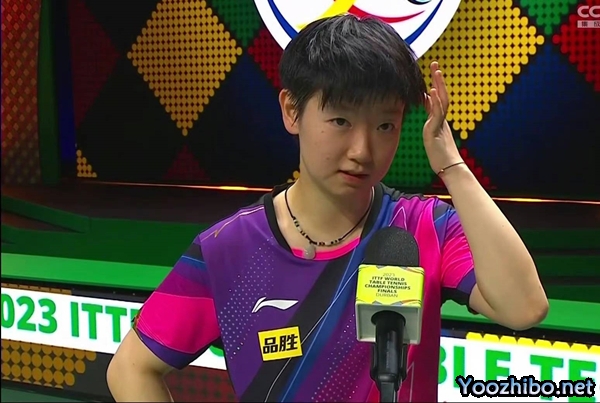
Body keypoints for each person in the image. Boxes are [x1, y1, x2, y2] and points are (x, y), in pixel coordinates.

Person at [106, 14, 548, 403]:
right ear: (292, 111)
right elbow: (131, 369)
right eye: (340, 121)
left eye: (385, 125)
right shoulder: (227, 248)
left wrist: (452, 165)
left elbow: (523, 308)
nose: (363, 150)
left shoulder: (423, 227)